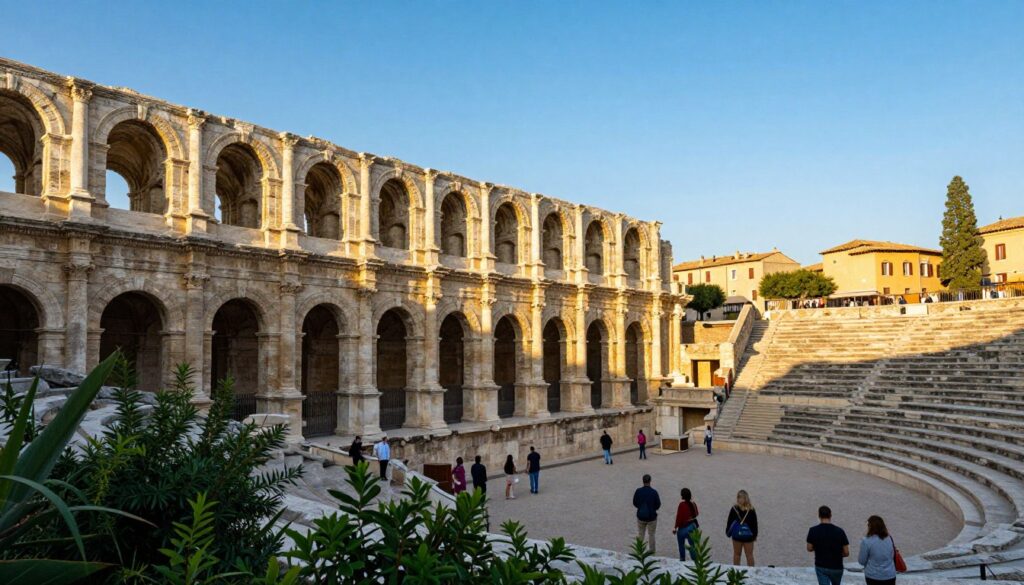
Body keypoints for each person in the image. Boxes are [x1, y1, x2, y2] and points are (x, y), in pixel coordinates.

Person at [806, 505, 850, 585]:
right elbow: (846, 552)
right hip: (837, 567)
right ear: (830, 515)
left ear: (819, 516)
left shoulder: (813, 530)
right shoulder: (840, 531)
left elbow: (809, 548)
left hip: (821, 566)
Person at [859, 515, 897, 585]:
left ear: (870, 526)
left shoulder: (866, 541)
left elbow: (861, 561)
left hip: (873, 576)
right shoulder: (889, 538)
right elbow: (892, 556)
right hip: (890, 575)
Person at [726, 490, 758, 566]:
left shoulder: (734, 509)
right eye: (738, 497)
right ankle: (748, 573)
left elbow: (730, 522)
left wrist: (728, 532)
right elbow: (754, 524)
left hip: (738, 535)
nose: (740, 499)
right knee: (746, 555)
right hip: (748, 536)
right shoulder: (751, 509)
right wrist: (754, 535)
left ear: (745, 498)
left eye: (741, 497)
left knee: (741, 555)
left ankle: (740, 573)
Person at [632, 474, 662, 554]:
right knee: (651, 534)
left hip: (641, 516)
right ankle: (652, 551)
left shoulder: (638, 491)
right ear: (650, 481)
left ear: (643, 481)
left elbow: (634, 502)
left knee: (641, 534)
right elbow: (658, 505)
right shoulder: (654, 492)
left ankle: (640, 550)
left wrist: (640, 508)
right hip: (651, 517)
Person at [672, 487, 699, 561]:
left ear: (682, 496)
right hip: (692, 527)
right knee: (692, 545)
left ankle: (682, 558)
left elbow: (679, 518)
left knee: (681, 545)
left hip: (683, 528)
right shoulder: (693, 504)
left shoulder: (681, 505)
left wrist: (675, 528)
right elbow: (697, 514)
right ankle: (694, 560)